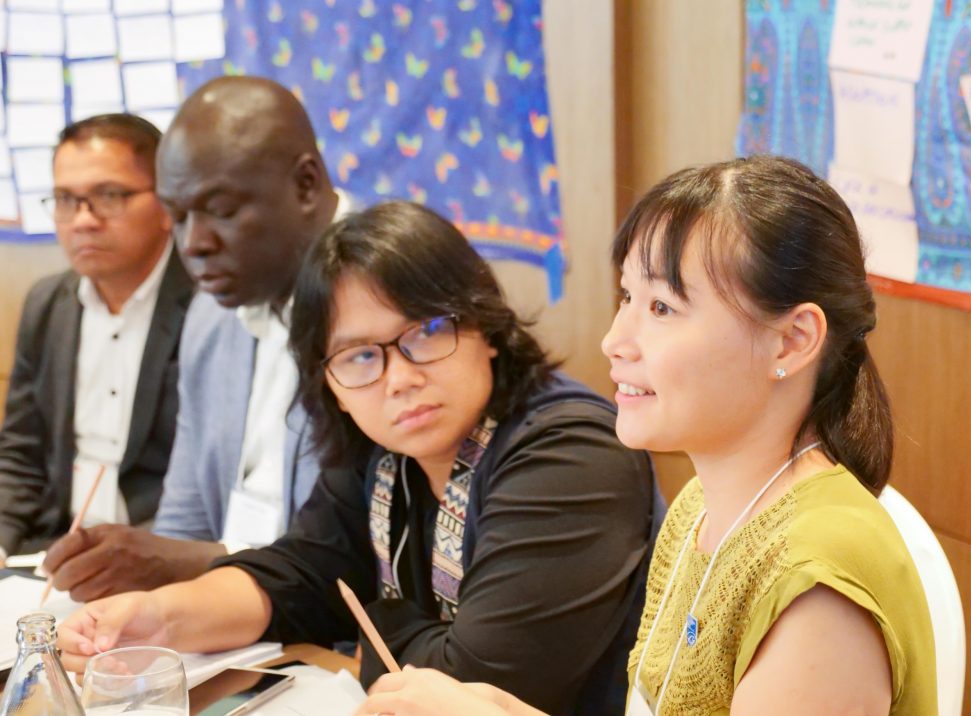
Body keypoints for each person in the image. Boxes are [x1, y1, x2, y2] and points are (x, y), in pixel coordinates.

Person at [353, 156, 939, 715]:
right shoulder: (700, 509)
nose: (615, 340)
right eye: (627, 296)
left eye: (662, 307)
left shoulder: (820, 587)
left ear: (791, 341)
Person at [58, 200, 658, 716]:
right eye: (360, 357)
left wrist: (376, 622)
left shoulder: (572, 452)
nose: (398, 379)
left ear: (486, 327)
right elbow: (304, 573)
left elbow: (478, 687)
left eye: (425, 331)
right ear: (333, 387)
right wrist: (155, 620)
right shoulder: (383, 451)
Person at [41, 76, 354, 601]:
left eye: (222, 211)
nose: (195, 245)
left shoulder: (385, 305)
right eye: (179, 217)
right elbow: (183, 519)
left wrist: (186, 563)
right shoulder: (211, 312)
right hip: (227, 616)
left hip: (345, 640)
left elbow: (364, 558)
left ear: (305, 186)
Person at [0, 114, 192, 566]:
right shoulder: (48, 303)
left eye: (108, 196)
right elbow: (21, 452)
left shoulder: (211, 306)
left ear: (167, 204)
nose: (82, 220)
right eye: (66, 199)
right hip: (50, 552)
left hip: (162, 557)